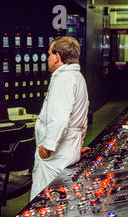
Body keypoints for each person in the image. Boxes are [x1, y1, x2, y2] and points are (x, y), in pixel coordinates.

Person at [30, 36, 90, 200]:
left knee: (43, 201)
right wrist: (76, 145)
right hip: (68, 150)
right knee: (62, 200)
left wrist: (48, 146)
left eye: (49, 54)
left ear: (57, 56)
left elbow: (60, 118)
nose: (47, 58)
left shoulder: (64, 79)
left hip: (55, 157)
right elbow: (81, 118)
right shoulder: (77, 77)